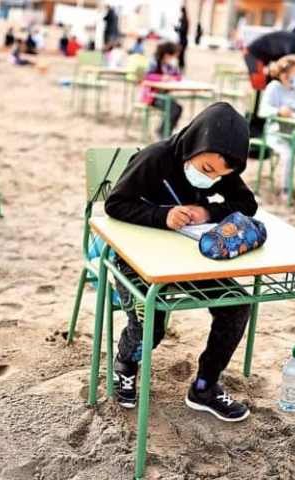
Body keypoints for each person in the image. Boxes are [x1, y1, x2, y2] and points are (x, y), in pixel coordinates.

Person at [104, 102, 257, 422]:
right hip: (134, 257)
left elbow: (247, 204)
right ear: (194, 144)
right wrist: (163, 216)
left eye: (220, 175)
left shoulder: (220, 164)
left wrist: (208, 212)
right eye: (206, 169)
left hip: (188, 259)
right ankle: (125, 363)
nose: (211, 178)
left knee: (238, 304)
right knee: (151, 322)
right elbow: (115, 204)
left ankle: (205, 385)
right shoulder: (155, 157)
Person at [244, 26, 295, 138]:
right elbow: (291, 67)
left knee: (267, 86)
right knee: (259, 86)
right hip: (254, 54)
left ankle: (261, 125)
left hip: (266, 59)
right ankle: (254, 126)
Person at [258, 58, 295, 203]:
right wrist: (279, 111)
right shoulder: (274, 87)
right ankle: (285, 190)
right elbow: (263, 110)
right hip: (275, 133)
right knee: (288, 155)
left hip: (293, 133)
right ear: (284, 76)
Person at [142, 41, 183, 140]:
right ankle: (162, 134)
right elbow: (147, 76)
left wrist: (173, 78)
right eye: (172, 56)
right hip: (152, 96)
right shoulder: (154, 62)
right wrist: (161, 78)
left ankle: (166, 132)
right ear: (166, 54)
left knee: (178, 108)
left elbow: (178, 76)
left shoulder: (168, 65)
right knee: (172, 108)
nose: (173, 59)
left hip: (164, 94)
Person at [175, 6, 189, 72]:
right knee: (179, 55)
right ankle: (180, 67)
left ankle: (181, 68)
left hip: (183, 41)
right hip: (181, 40)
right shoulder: (182, 20)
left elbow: (182, 30)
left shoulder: (185, 20)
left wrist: (176, 28)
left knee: (181, 55)